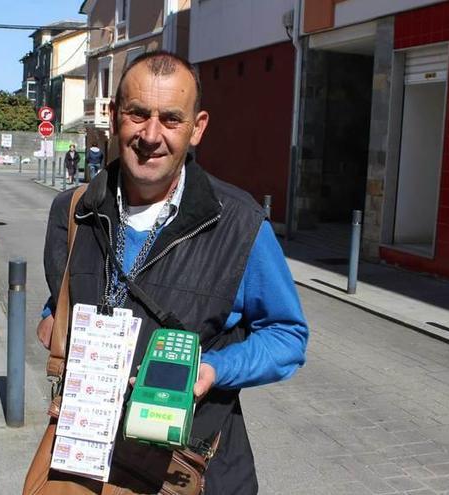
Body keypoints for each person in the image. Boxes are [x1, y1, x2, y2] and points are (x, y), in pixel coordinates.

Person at [37, 51, 308, 494]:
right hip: (85, 461)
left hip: (187, 469)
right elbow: (62, 297)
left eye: (171, 119)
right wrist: (52, 320)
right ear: (113, 116)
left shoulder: (239, 225)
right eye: (138, 114)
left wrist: (213, 369)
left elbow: (287, 335)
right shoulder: (72, 212)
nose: (150, 135)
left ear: (197, 128)